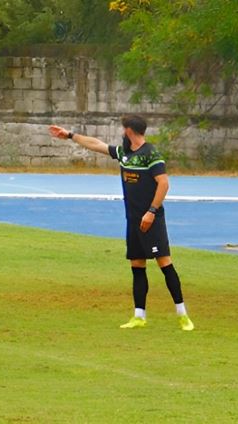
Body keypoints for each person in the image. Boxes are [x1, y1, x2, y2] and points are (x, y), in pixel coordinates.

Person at [49, 115, 194, 331]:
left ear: (129, 131)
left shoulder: (151, 154)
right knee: (137, 266)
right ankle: (139, 316)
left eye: (123, 129)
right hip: (133, 220)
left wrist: (151, 212)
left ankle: (183, 316)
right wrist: (70, 135)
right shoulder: (125, 154)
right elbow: (96, 144)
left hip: (151, 220)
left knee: (164, 264)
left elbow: (163, 184)